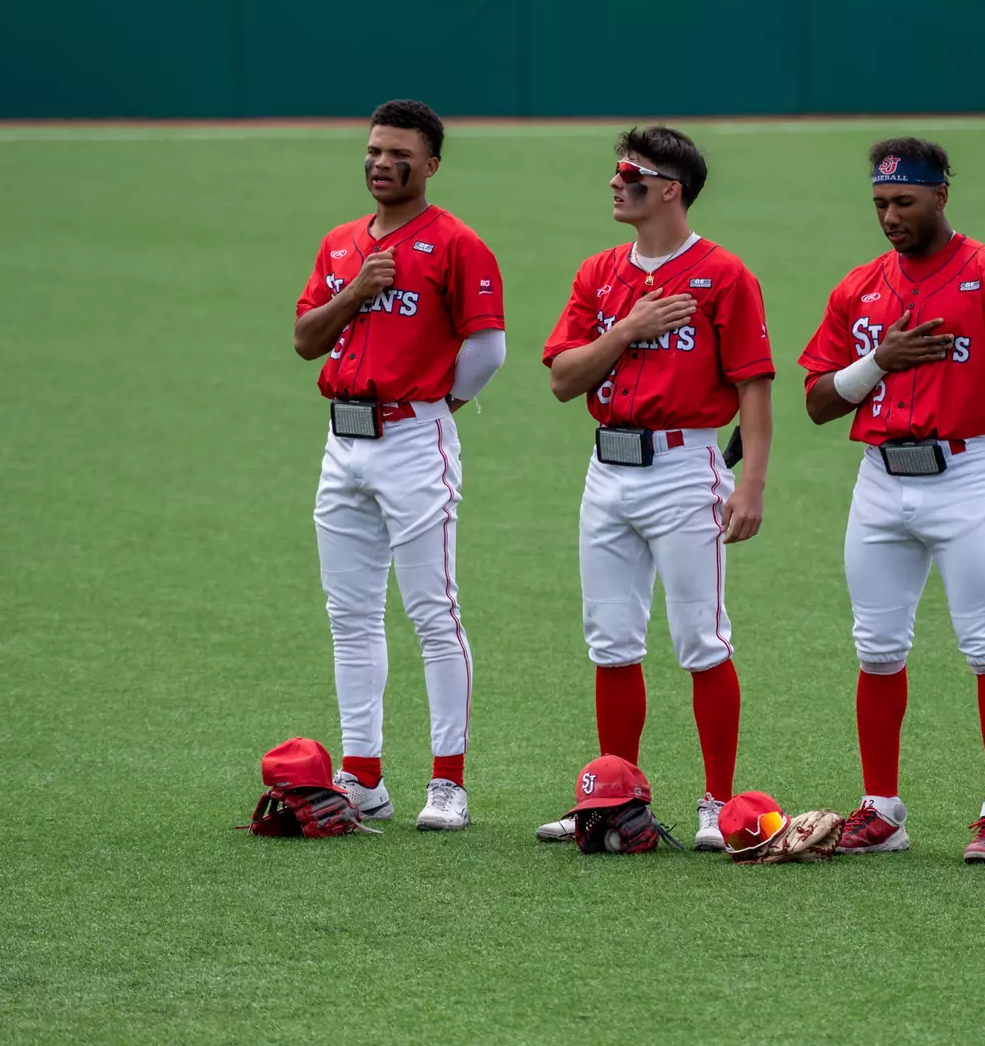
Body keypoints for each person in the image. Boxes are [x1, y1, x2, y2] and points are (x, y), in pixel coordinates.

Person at [798, 137, 985, 863]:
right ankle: (881, 812)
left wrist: (970, 426)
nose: (890, 217)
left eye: (903, 202)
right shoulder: (860, 287)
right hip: (879, 485)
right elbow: (818, 403)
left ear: (941, 195)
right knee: (876, 650)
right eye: (880, 203)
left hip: (965, 483)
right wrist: (879, 362)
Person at [535, 126, 774, 851]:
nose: (615, 182)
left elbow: (754, 392)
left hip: (685, 466)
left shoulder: (724, 275)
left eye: (629, 173)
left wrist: (752, 485)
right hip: (605, 471)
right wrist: (627, 331)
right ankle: (616, 797)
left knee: (701, 639)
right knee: (611, 641)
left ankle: (719, 804)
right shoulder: (599, 272)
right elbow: (562, 379)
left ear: (669, 189)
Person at [291, 99, 506, 831]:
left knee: (432, 614)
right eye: (375, 151)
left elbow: (487, 350)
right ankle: (363, 774)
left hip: (415, 441)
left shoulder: (457, 244)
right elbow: (304, 339)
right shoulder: (341, 244)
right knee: (349, 617)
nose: (382, 163)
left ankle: (448, 783)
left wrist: (431, 407)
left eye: (399, 155)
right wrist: (356, 292)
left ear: (432, 166)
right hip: (342, 445)